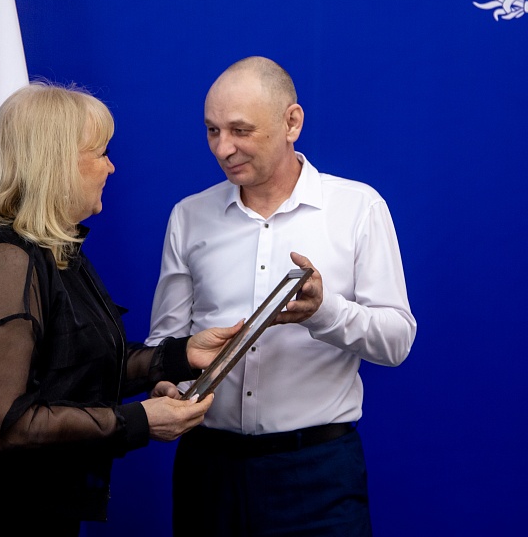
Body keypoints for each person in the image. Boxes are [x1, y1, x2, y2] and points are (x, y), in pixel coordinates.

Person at [0, 82, 241, 537]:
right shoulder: (5, 260)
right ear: (57, 163)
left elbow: (77, 368)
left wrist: (183, 354)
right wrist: (140, 421)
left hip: (37, 513)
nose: (111, 167)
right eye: (101, 153)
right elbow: (3, 425)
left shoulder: (52, 251)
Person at [145, 57, 417, 536]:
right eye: (212, 131)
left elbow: (396, 341)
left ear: (292, 122)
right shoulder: (188, 216)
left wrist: (324, 312)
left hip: (318, 474)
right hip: (207, 471)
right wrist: (165, 383)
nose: (223, 148)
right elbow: (164, 344)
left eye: (240, 130)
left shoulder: (357, 208)